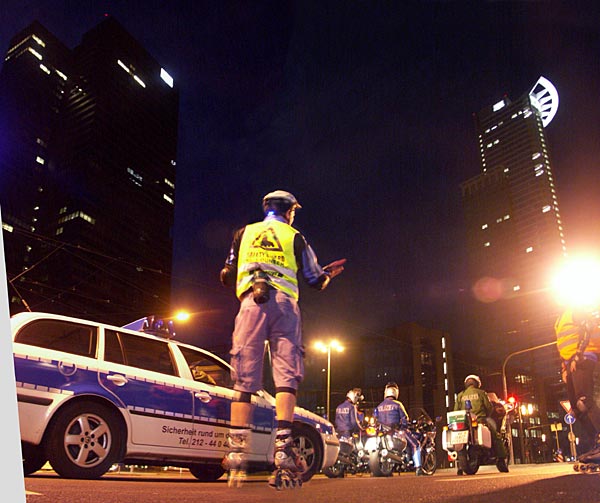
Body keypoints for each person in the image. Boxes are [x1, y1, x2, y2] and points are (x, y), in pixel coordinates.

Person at [220, 189, 346, 488]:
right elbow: (315, 280)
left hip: (251, 303)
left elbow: (227, 272)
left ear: (266, 209)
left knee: (244, 378)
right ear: (289, 211)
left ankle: (237, 450)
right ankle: (283, 450)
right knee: (286, 376)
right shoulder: (294, 236)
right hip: (285, 306)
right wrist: (328, 274)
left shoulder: (244, 233)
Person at [555, 308, 600, 463]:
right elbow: (562, 345)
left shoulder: (575, 308)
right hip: (571, 361)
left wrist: (579, 354)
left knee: (584, 401)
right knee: (576, 407)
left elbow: (588, 327)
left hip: (584, 356)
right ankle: (596, 444)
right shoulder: (560, 318)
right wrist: (564, 367)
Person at [454, 374, 509, 473]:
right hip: (479, 420)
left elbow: (456, 410)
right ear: (477, 383)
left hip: (464, 424)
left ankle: (460, 466)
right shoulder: (481, 393)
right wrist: (486, 415)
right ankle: (501, 460)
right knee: (496, 436)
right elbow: (489, 407)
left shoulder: (460, 395)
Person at [373, 382, 424, 476]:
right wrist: (404, 426)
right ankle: (418, 467)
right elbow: (405, 418)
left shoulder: (379, 406)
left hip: (382, 431)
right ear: (395, 392)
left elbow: (375, 418)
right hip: (396, 430)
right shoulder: (398, 404)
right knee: (416, 444)